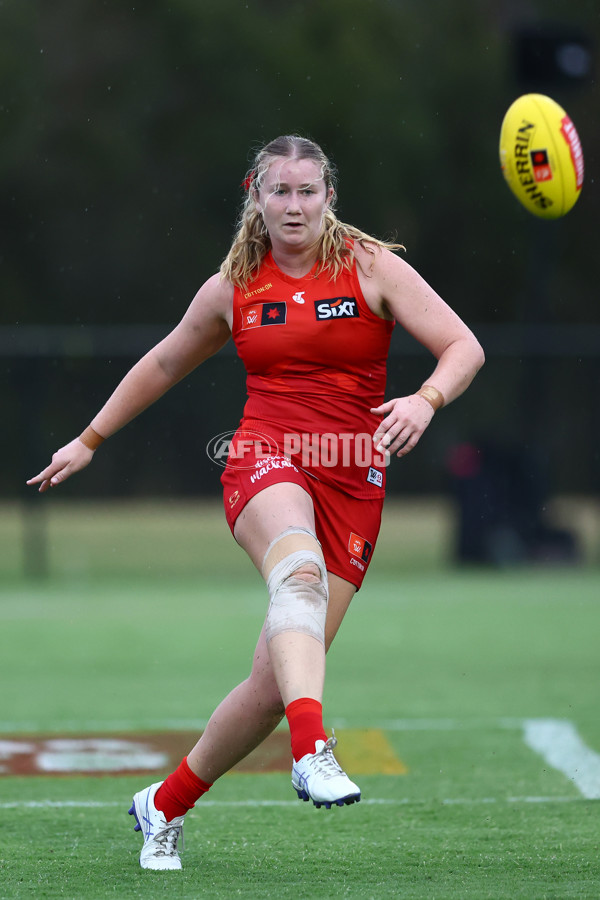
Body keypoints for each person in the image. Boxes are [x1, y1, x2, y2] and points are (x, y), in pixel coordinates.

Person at [27, 134, 484, 871]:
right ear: (256, 196)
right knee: (296, 573)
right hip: (263, 459)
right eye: (281, 191)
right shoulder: (232, 285)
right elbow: (166, 360)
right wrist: (90, 439)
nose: (295, 204)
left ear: (329, 197)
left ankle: (163, 805)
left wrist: (427, 400)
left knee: (272, 686)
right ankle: (313, 750)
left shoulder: (371, 267)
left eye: (308, 191)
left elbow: (463, 345)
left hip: (353, 480)